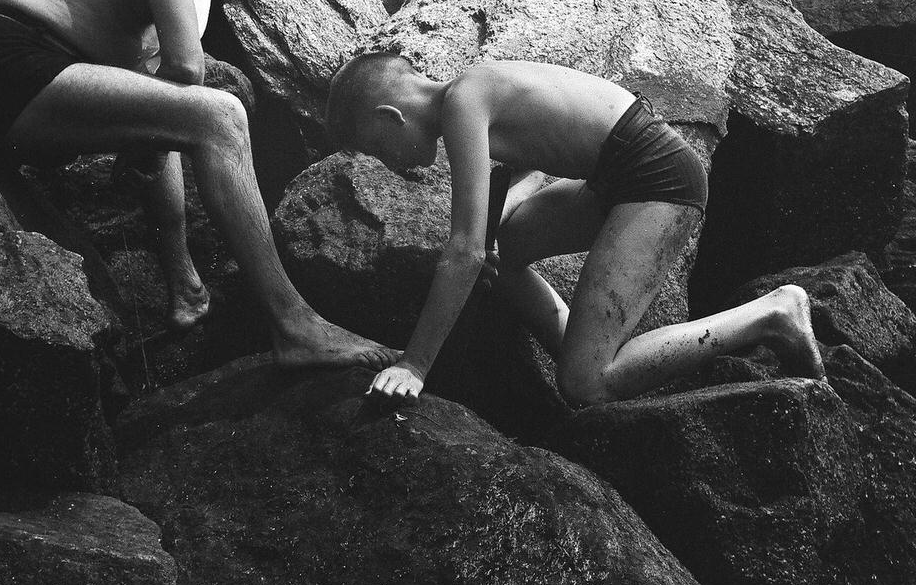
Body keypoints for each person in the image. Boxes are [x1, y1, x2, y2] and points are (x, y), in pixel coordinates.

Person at [0, 0, 396, 369]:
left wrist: (152, 139)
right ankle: (294, 325)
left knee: (179, 116)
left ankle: (185, 286)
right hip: (3, 57)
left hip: (38, 79)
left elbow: (162, 90)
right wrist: (157, 134)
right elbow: (186, 66)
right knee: (220, 113)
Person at [325, 52, 825, 404]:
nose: (388, 163)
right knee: (508, 251)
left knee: (587, 385)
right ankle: (573, 338)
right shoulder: (472, 91)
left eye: (376, 149)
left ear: (389, 116)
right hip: (611, 179)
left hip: (659, 181)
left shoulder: (462, 103)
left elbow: (464, 252)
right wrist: (493, 228)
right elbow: (528, 168)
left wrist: (413, 365)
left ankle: (772, 313)